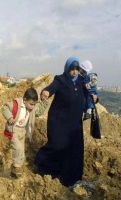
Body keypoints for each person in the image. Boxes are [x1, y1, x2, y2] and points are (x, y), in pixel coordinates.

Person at [34, 56, 98, 187]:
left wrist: (95, 98)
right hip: (59, 122)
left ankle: (70, 178)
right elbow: (51, 88)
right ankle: (43, 165)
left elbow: (91, 93)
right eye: (72, 69)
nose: (74, 72)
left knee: (74, 150)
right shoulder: (60, 79)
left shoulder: (82, 81)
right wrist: (45, 92)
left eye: (76, 69)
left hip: (75, 124)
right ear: (67, 69)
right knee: (57, 145)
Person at [2, 88, 48, 178]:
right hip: (14, 130)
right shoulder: (16, 104)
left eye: (34, 104)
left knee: (21, 152)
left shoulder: (31, 108)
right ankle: (16, 167)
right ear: (25, 100)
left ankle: (13, 170)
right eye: (31, 104)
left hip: (22, 131)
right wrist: (10, 117)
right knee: (18, 149)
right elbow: (5, 108)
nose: (32, 106)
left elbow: (38, 112)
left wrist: (44, 102)